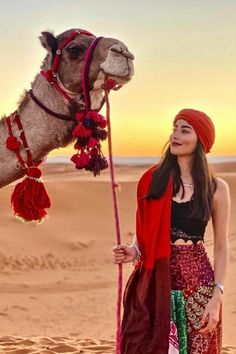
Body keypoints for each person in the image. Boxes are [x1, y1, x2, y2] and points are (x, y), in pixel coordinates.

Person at [113, 109, 230, 354]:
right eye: (174, 128)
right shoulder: (153, 180)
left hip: (199, 284)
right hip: (158, 282)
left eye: (184, 130)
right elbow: (146, 231)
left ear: (201, 140)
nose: (175, 135)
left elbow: (221, 246)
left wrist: (217, 295)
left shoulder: (217, 188)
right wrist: (133, 251)